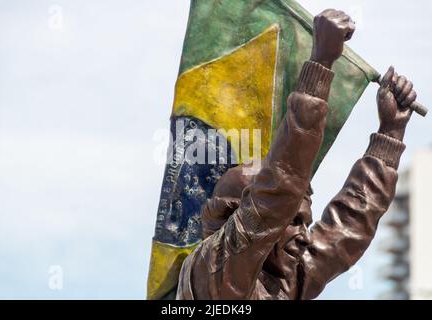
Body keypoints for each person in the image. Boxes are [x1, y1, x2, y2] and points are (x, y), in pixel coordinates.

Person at [176, 9, 417, 300]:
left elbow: (342, 235)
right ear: (239, 215)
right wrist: (321, 63)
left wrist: (390, 135)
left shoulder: (281, 284)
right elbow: (279, 192)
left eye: (305, 222)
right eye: (293, 220)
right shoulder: (215, 269)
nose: (304, 236)